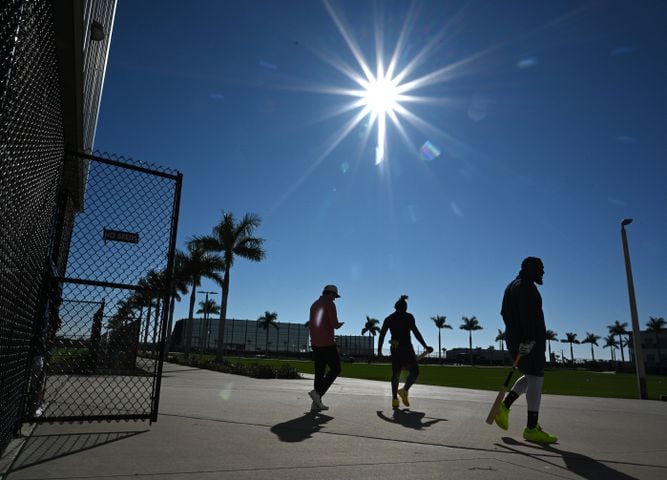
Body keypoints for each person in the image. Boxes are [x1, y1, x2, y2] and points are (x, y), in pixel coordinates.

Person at [496, 256, 557, 443]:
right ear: (532, 269)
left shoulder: (512, 285)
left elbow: (504, 313)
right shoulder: (526, 287)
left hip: (519, 342)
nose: (543, 272)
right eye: (541, 268)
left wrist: (516, 339)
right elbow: (528, 316)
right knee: (537, 378)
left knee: (531, 376)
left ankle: (504, 407)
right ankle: (531, 429)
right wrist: (528, 340)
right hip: (528, 343)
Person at [377, 295, 433, 409]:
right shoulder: (408, 317)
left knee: (396, 374)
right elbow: (416, 332)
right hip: (406, 349)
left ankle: (395, 399)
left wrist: (379, 351)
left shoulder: (389, 318)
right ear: (403, 307)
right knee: (414, 372)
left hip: (396, 349)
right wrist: (425, 346)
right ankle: (404, 390)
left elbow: (382, 336)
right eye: (405, 307)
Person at [308, 284, 344, 412]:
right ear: (330, 294)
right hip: (327, 342)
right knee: (336, 368)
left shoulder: (314, 304)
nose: (335, 299)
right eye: (334, 296)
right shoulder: (329, 304)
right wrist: (339, 325)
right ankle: (318, 394)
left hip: (315, 342)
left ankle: (316, 404)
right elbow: (334, 324)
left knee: (319, 372)